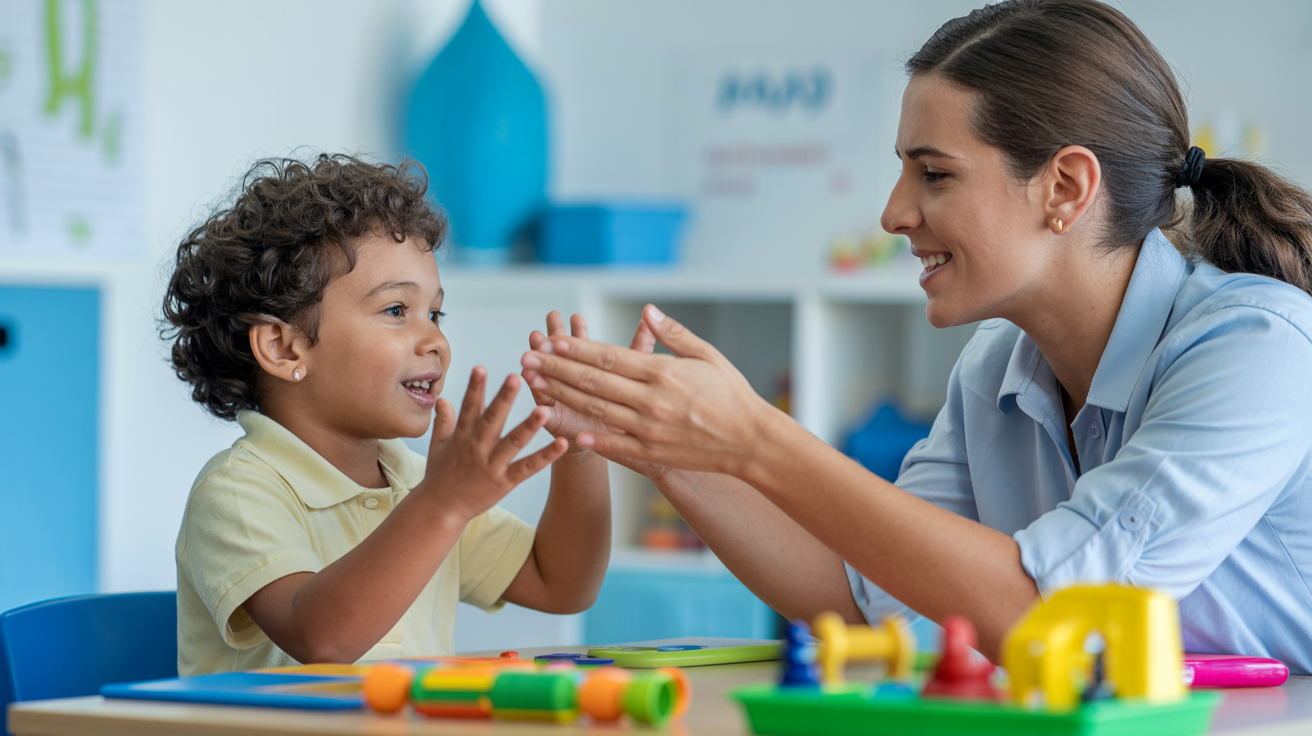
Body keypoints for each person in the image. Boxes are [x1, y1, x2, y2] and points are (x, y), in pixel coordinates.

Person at [519, 0, 1312, 672]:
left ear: (1065, 188)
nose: (894, 213)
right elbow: (864, 595)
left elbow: (1057, 616)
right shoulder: (996, 370)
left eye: (934, 174)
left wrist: (754, 437)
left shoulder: (1259, 347)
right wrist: (671, 449)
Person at [163, 155, 610, 675]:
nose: (437, 341)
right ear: (284, 349)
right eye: (397, 311)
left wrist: (582, 449)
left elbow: (561, 582)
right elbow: (321, 638)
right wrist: (441, 505)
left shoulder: (415, 481)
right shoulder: (239, 491)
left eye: (435, 314)